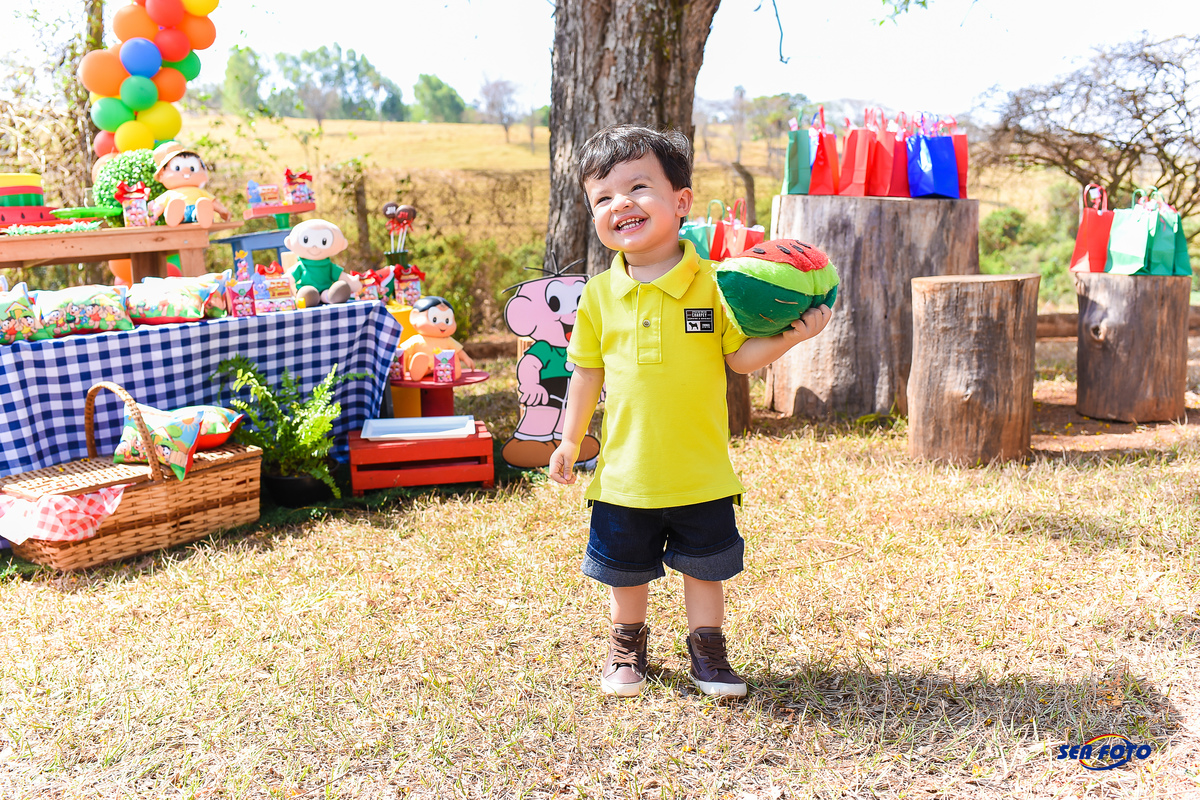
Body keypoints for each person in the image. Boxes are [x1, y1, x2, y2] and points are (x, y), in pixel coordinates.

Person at [548, 125, 832, 698]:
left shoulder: (715, 284)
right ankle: (626, 652)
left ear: (681, 201)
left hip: (701, 471)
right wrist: (570, 439)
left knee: (705, 567)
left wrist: (793, 337)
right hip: (625, 475)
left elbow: (740, 359)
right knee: (625, 571)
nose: (620, 203)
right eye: (603, 197)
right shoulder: (598, 294)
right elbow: (586, 373)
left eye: (638, 187)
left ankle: (710, 654)